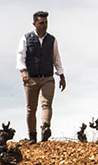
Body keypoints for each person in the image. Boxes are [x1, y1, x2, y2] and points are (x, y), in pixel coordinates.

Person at [16, 11, 66, 143]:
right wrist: (23, 71)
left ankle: (45, 128)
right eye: (41, 23)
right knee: (31, 108)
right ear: (34, 24)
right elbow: (20, 56)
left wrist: (61, 75)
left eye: (46, 23)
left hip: (48, 77)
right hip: (31, 78)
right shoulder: (26, 38)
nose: (44, 25)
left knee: (46, 104)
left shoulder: (52, 40)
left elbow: (56, 58)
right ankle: (32, 136)